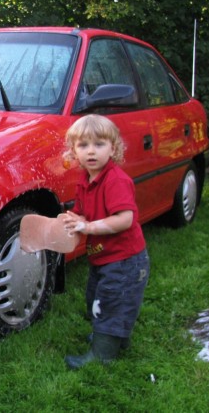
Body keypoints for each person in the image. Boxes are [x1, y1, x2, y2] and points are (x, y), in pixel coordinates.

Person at [61, 114, 150, 370]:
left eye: (99, 145)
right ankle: (113, 339)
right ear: (74, 151)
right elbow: (81, 212)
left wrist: (88, 226)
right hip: (103, 256)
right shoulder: (85, 179)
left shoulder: (115, 180)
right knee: (98, 299)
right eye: (83, 145)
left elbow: (125, 219)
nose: (91, 152)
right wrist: (70, 220)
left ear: (113, 148)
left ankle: (103, 355)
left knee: (112, 301)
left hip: (125, 259)